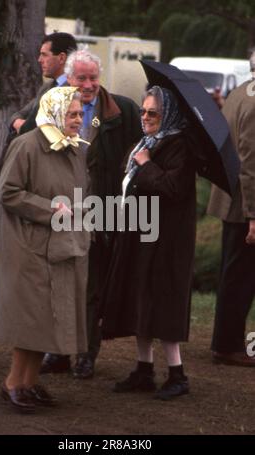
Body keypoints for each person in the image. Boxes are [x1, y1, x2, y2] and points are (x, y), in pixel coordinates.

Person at [0, 87, 91, 412]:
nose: (78, 120)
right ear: (56, 113)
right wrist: (51, 209)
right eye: (72, 114)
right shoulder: (27, 145)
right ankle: (13, 382)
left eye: (79, 114)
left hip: (61, 246)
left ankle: (29, 382)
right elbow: (8, 193)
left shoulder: (72, 149)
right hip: (30, 247)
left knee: (47, 318)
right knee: (30, 318)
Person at [40, 50, 142, 379]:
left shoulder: (122, 110)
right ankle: (56, 353)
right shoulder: (53, 106)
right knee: (58, 285)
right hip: (61, 211)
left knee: (92, 289)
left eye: (93, 78)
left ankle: (86, 354)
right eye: (81, 78)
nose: (88, 84)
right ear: (68, 79)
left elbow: (141, 150)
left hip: (102, 213)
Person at [100, 85, 196, 400]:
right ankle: (144, 369)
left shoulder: (178, 145)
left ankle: (177, 375)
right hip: (138, 234)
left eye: (152, 112)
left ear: (166, 113)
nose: (145, 117)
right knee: (138, 297)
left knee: (162, 303)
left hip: (165, 241)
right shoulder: (146, 143)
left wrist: (144, 163)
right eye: (143, 111)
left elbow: (172, 188)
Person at [207, 52, 255, 367]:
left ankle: (227, 341)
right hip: (244, 202)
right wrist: (253, 215)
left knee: (235, 272)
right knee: (241, 275)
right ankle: (227, 345)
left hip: (233, 197)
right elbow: (250, 160)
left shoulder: (242, 91)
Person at [10, 32, 77, 136]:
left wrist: (23, 127)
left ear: (62, 58)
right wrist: (18, 123)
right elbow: (19, 114)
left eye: (44, 55)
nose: (39, 60)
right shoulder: (48, 86)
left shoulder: (73, 91)